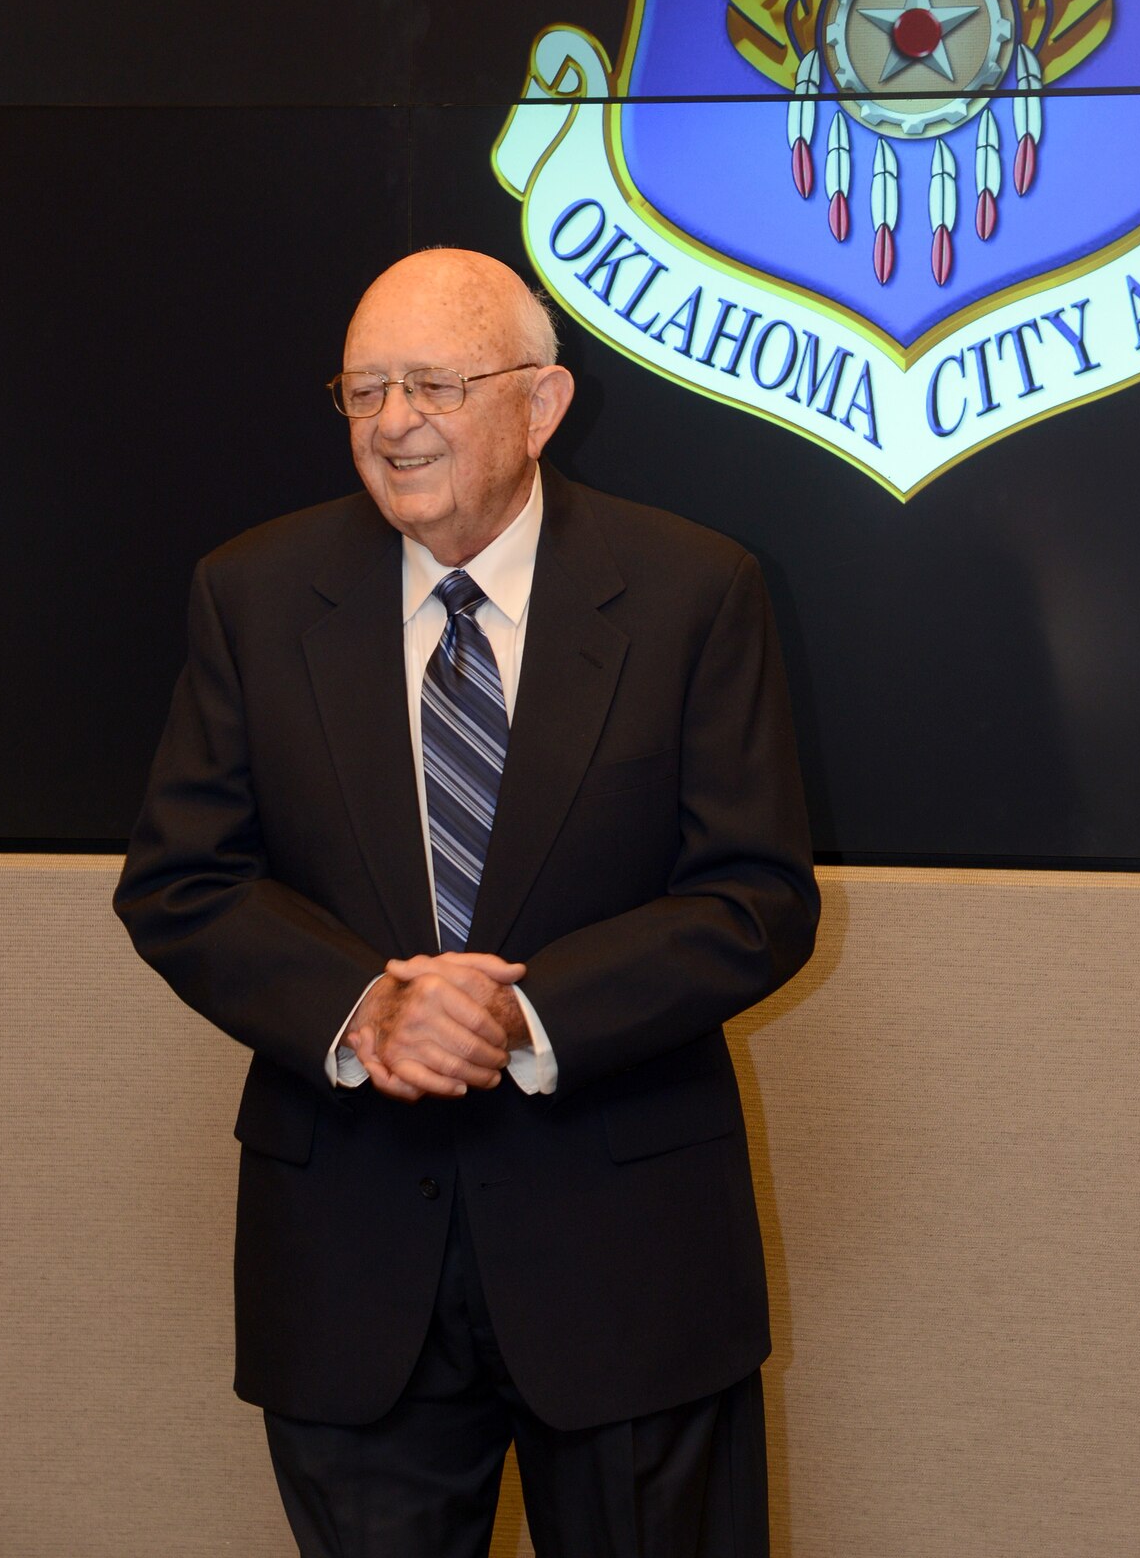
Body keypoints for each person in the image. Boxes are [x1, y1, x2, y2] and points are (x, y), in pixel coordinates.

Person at [114, 248, 819, 1558]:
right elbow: (181, 878)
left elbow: (753, 897)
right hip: (348, 1262)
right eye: (363, 388)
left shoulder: (691, 591)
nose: (391, 423)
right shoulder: (252, 595)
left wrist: (522, 1018)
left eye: (432, 383)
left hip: (630, 1262)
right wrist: (365, 1005)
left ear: (541, 404)